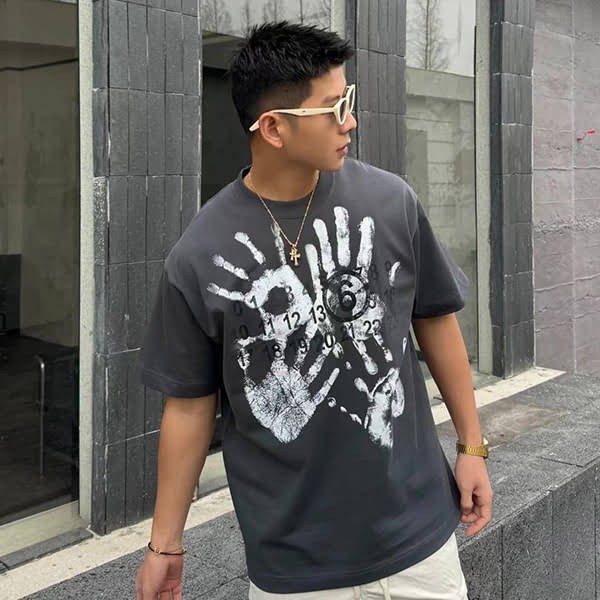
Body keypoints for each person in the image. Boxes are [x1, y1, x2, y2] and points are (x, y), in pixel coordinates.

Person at [135, 21, 493, 600]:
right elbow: (189, 406)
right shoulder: (199, 255)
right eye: (334, 108)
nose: (350, 122)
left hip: (419, 540)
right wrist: (165, 544)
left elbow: (434, 319)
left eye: (348, 100)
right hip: (295, 564)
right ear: (273, 128)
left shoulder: (391, 202)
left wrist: (472, 446)